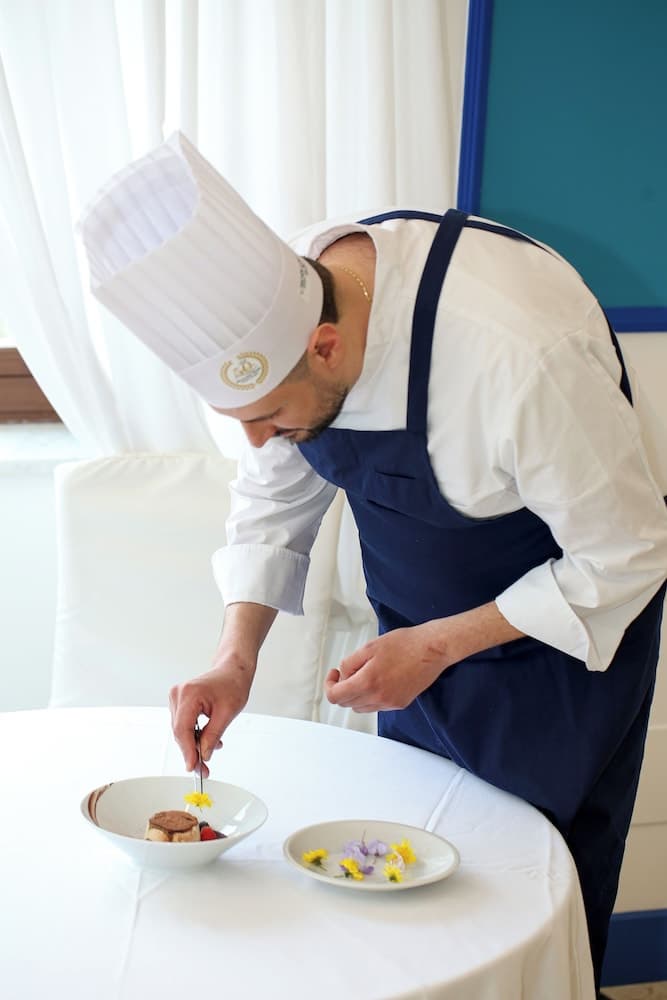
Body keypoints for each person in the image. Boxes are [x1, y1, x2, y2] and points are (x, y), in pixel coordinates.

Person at [79, 132, 667, 992]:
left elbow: (629, 552)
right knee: (408, 889)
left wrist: (434, 645)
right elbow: (274, 499)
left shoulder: (516, 353)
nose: (258, 441)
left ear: (325, 347)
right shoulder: (294, 302)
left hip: (558, 657)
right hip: (408, 651)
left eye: (271, 417)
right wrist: (234, 658)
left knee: (526, 901)